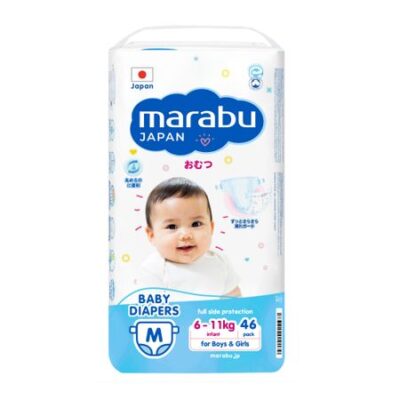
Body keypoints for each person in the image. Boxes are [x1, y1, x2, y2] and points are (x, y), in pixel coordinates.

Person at [137, 177, 241, 297]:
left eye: (196, 224)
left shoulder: (220, 261)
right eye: (172, 226)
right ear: (152, 235)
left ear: (211, 228)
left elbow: (234, 297)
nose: (186, 235)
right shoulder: (153, 269)